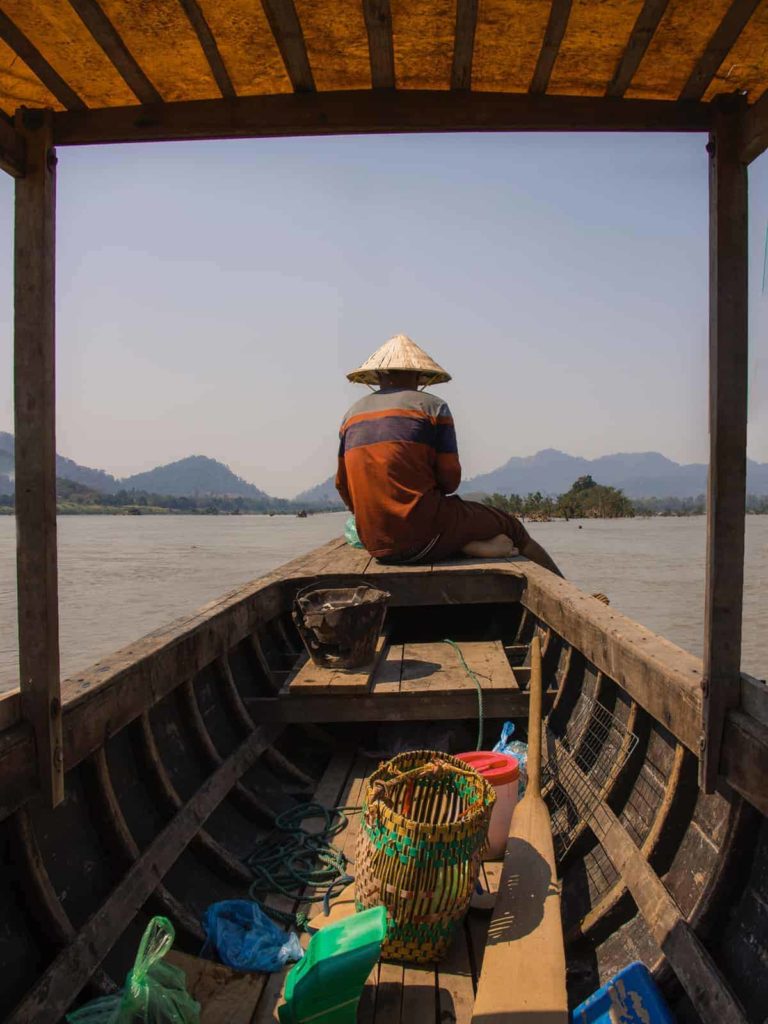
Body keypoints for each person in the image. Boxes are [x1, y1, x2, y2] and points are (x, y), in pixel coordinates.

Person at [335, 334, 562, 575]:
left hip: (375, 544)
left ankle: (465, 544)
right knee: (513, 528)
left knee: (440, 525)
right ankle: (567, 589)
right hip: (425, 535)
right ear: (419, 376)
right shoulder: (432, 407)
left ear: (378, 376)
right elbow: (450, 481)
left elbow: (342, 485)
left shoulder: (351, 416)